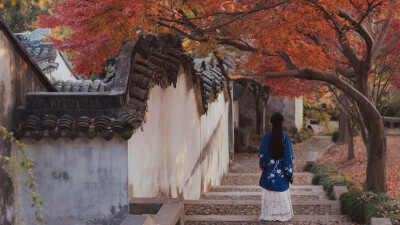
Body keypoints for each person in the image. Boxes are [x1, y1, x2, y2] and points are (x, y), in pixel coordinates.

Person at [258, 112, 294, 222]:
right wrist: (289, 172)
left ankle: (269, 214)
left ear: (271, 123)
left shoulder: (267, 137)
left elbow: (262, 154)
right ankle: (282, 214)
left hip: (270, 172)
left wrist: (264, 165)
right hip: (282, 171)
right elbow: (289, 157)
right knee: (281, 193)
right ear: (282, 123)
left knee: (270, 192)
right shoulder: (285, 137)